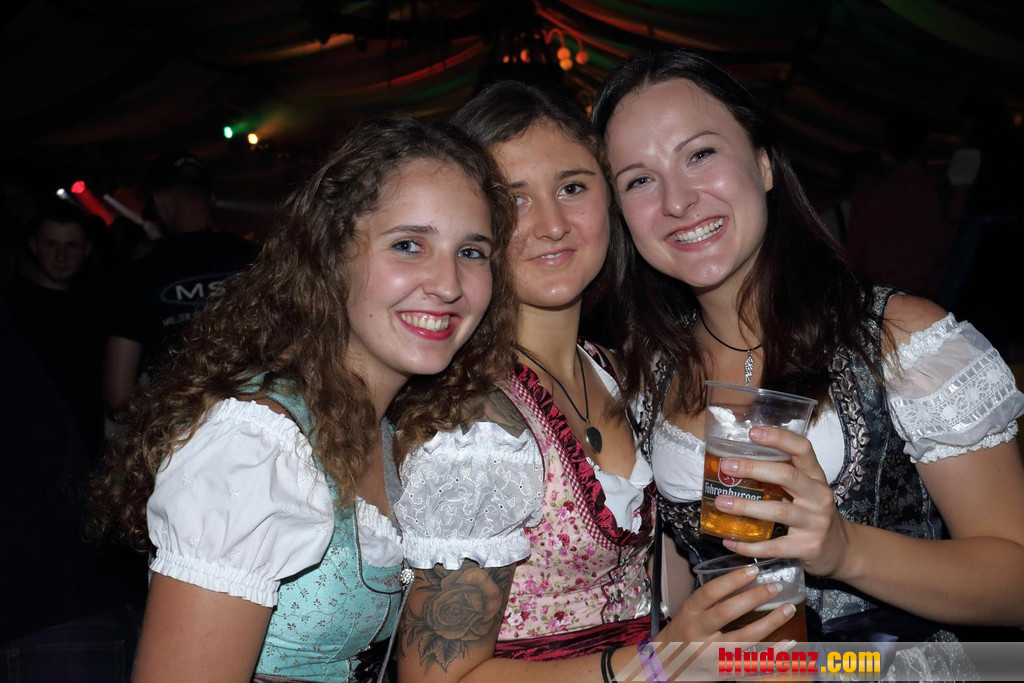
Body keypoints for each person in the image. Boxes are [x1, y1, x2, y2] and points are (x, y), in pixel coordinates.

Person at [591, 48, 1024, 656]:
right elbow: (681, 589)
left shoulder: (900, 339)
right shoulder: (646, 375)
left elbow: (1015, 581)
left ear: (764, 164)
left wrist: (847, 551)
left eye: (700, 154)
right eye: (639, 180)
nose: (677, 201)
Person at [90, 117, 518, 682]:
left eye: (472, 252)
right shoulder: (255, 442)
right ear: (331, 255)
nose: (449, 284)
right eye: (409, 245)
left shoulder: (389, 427)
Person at [394, 80, 795, 683]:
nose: (552, 224)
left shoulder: (619, 372)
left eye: (572, 188)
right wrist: (659, 663)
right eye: (514, 198)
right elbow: (435, 679)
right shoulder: (474, 424)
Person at [103, 152, 259, 419]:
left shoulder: (141, 275)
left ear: (159, 203)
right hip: (258, 421)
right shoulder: (258, 259)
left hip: (181, 430)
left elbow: (118, 393)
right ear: (212, 199)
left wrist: (172, 417)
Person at [4, 201, 107, 459]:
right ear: (34, 247)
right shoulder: (10, 308)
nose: (61, 256)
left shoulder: (100, 308)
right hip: (22, 451)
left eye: (72, 246)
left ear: (86, 250)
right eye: (51, 244)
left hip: (85, 450)